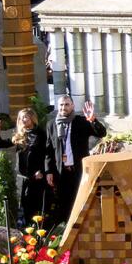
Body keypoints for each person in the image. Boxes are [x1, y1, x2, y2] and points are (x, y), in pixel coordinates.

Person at [44, 95, 107, 226]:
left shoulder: (81, 122)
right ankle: (66, 230)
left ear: (72, 106)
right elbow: (49, 150)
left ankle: (82, 227)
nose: (63, 107)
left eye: (67, 104)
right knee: (64, 204)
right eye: (61, 105)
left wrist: (93, 120)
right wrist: (49, 171)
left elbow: (101, 133)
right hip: (61, 172)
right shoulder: (51, 124)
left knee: (80, 200)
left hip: (78, 170)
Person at [0, 108, 50, 227]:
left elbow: (47, 154)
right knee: (25, 206)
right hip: (24, 177)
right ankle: (29, 233)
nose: (22, 120)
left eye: (25, 117)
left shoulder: (41, 134)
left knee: (38, 207)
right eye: (20, 118)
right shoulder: (20, 134)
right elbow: (2, 144)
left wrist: (42, 171)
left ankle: (40, 233)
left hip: (38, 177)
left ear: (32, 118)